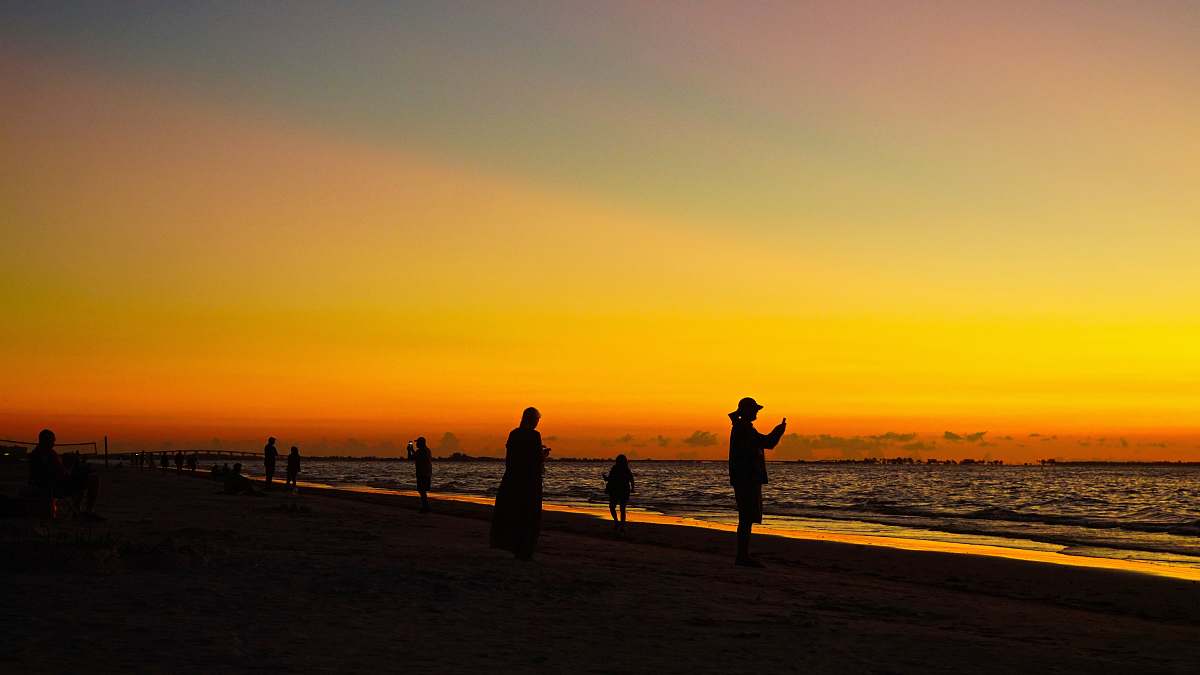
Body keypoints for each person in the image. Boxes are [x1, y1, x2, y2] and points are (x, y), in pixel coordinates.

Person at [728, 397, 786, 567]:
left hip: (745, 478)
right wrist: (779, 431)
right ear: (747, 411)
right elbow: (768, 443)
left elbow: (765, 442)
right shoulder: (743, 429)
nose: (757, 413)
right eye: (754, 410)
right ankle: (742, 556)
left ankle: (743, 555)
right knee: (746, 518)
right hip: (747, 479)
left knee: (746, 517)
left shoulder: (742, 427)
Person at [490, 407, 550, 560]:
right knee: (529, 515)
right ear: (533, 420)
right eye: (537, 420)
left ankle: (514, 546)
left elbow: (510, 458)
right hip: (529, 481)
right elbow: (536, 459)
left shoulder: (514, 434)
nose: (537, 423)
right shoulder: (534, 435)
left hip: (512, 479)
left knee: (513, 514)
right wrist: (544, 455)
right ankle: (525, 550)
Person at [27, 428, 101, 519]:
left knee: (84, 474)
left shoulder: (36, 454)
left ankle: (78, 509)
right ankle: (88, 510)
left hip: (51, 485)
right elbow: (61, 474)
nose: (54, 443)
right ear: (47, 441)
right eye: (52, 441)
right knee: (93, 478)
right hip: (56, 487)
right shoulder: (49, 455)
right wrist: (70, 466)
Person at [603, 454, 635, 531]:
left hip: (616, 491)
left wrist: (605, 478)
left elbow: (610, 479)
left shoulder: (616, 468)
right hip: (623, 491)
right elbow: (632, 479)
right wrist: (633, 488)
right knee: (622, 509)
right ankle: (621, 525)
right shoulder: (625, 469)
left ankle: (617, 523)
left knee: (613, 507)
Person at [412, 437, 433, 513]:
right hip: (426, 473)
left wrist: (410, 450)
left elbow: (413, 457)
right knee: (422, 490)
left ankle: (425, 507)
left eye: (417, 442)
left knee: (422, 490)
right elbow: (414, 457)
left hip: (422, 473)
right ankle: (425, 506)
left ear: (421, 443)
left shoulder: (421, 451)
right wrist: (410, 450)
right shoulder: (426, 450)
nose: (416, 444)